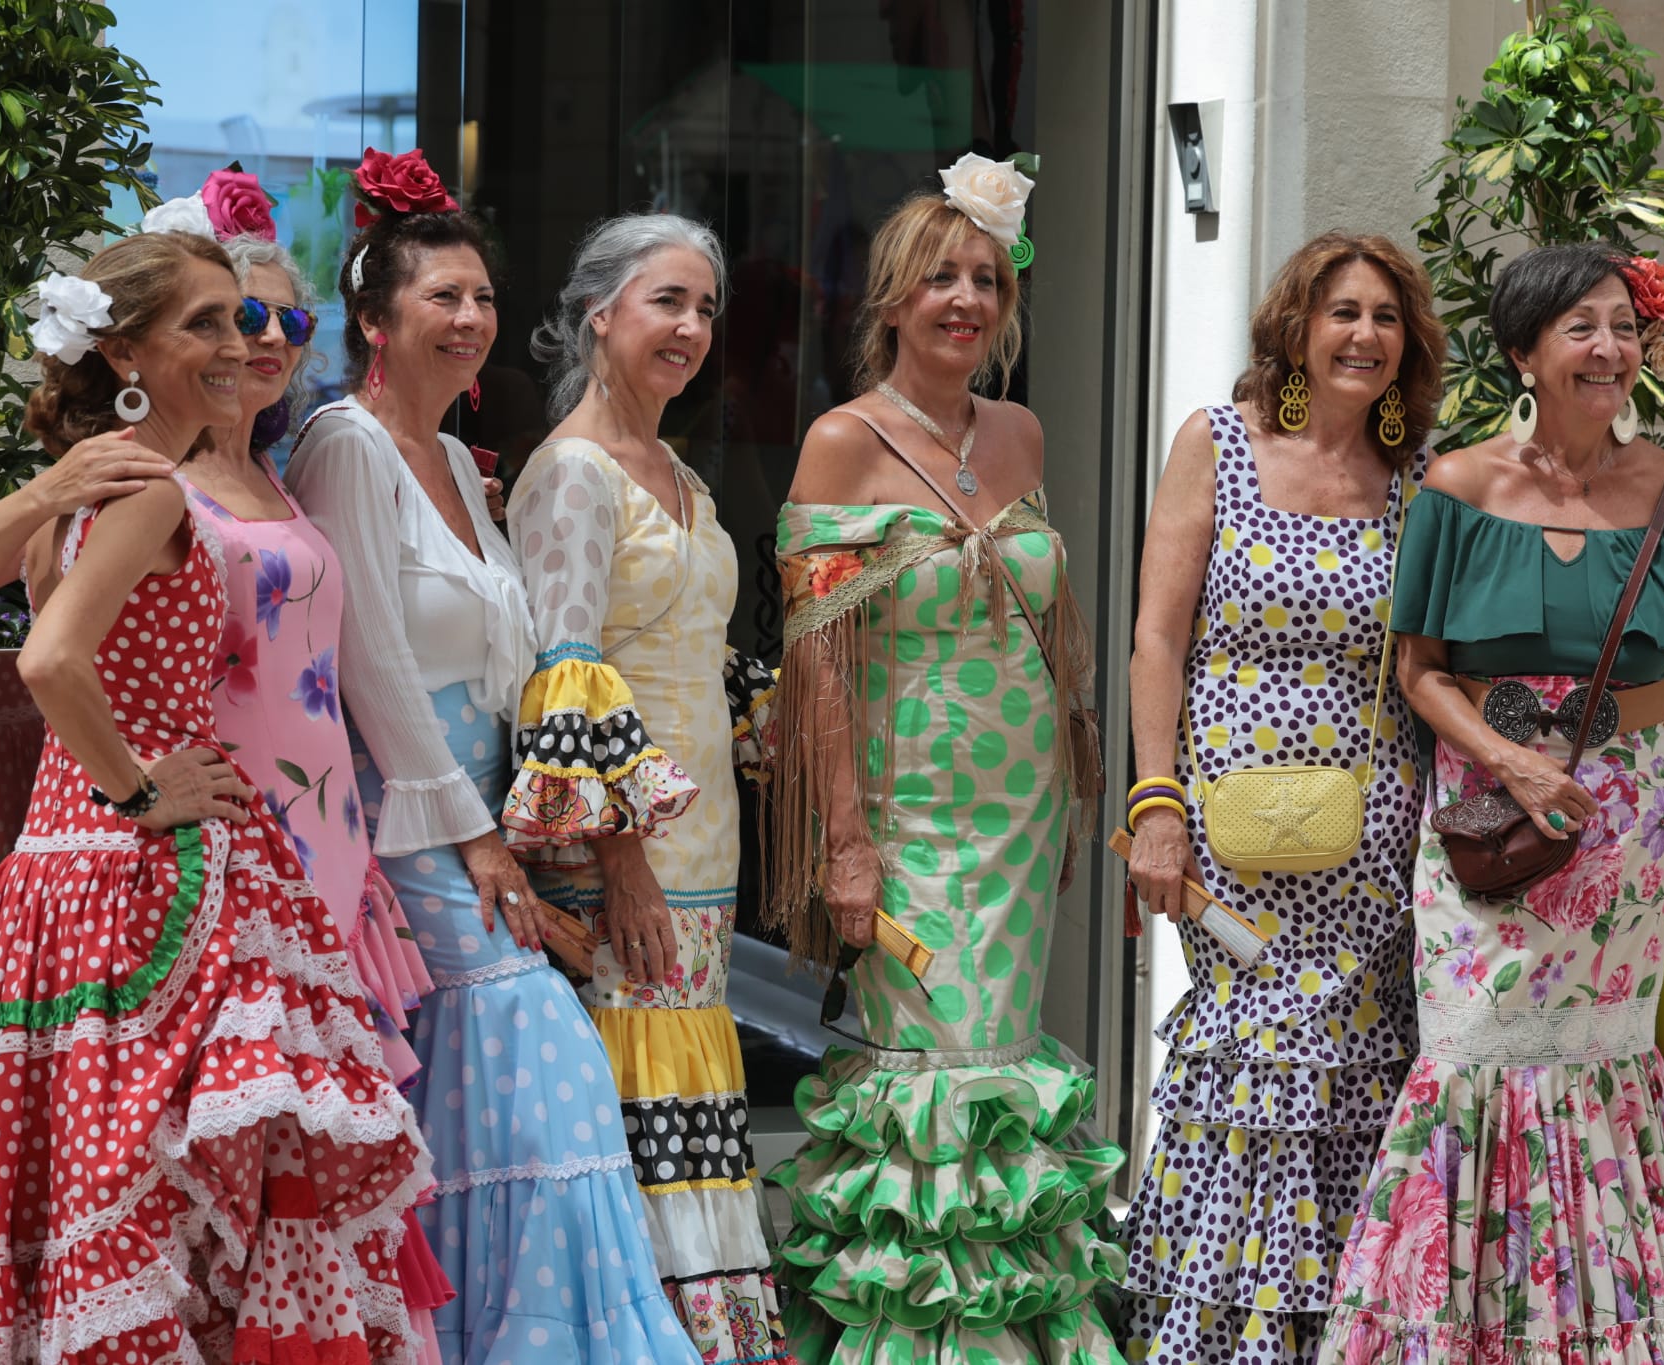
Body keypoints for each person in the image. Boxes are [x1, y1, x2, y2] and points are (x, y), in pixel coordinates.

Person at [0, 228, 433, 1362]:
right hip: (140, 873)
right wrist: (136, 792)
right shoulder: (148, 483)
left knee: (89, 1185)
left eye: (240, 318)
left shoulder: (131, 476)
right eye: (205, 323)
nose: (237, 342)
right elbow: (46, 660)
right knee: (172, 1200)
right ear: (124, 350)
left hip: (62, 875)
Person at [1316, 243, 1664, 1365]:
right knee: (1473, 1057)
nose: (1608, 350)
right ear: (1521, 353)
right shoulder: (1457, 489)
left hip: (1622, 833)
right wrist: (1508, 763)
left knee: (1604, 1065)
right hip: (1483, 819)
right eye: (1579, 329)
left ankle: (1599, 1338)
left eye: (1621, 328)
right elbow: (1415, 669)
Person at [286, 149, 695, 1365]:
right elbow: (367, 663)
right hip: (405, 828)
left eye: (480, 298)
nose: (468, 320)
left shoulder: (465, 466)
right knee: (547, 1061)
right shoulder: (342, 444)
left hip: (485, 829)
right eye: (438, 298)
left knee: (468, 1112)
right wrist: (469, 834)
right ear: (372, 317)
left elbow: (519, 666)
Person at [763, 157, 1125, 1364]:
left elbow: (1049, 628)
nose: (963, 299)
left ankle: (1010, 1332)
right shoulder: (840, 442)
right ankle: (911, 1337)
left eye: (984, 278)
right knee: (932, 1073)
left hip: (1019, 813)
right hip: (907, 815)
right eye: (939, 280)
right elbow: (815, 666)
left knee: (1004, 1065)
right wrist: (846, 844)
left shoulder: (1019, 435)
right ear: (891, 302)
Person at [1120, 231, 1447, 1365]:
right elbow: (1156, 636)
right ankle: (1221, 1340)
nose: (1364, 335)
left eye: (1385, 318)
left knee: (1360, 1080)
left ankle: (1341, 1336)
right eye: (1342, 312)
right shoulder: (1215, 443)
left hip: (1376, 848)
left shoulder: (1420, 476)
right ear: (1296, 328)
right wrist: (1154, 802)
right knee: (1243, 1074)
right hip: (1234, 840)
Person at [505, 215, 793, 1365]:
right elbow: (561, 671)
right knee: (627, 1102)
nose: (689, 327)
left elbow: (682, 653)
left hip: (705, 849)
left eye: (705, 308)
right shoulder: (572, 472)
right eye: (665, 301)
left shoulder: (676, 470)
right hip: (620, 858)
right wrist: (616, 853)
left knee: (685, 1090)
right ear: (599, 317)